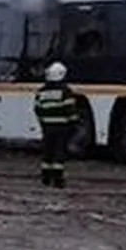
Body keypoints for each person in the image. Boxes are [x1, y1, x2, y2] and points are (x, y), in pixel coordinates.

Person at [33, 61, 79, 189]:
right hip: (62, 127)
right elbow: (70, 109)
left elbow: (37, 109)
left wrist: (43, 121)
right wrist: (74, 124)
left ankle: (46, 178)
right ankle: (58, 179)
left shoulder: (41, 91)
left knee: (47, 151)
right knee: (59, 152)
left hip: (47, 127)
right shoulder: (65, 91)